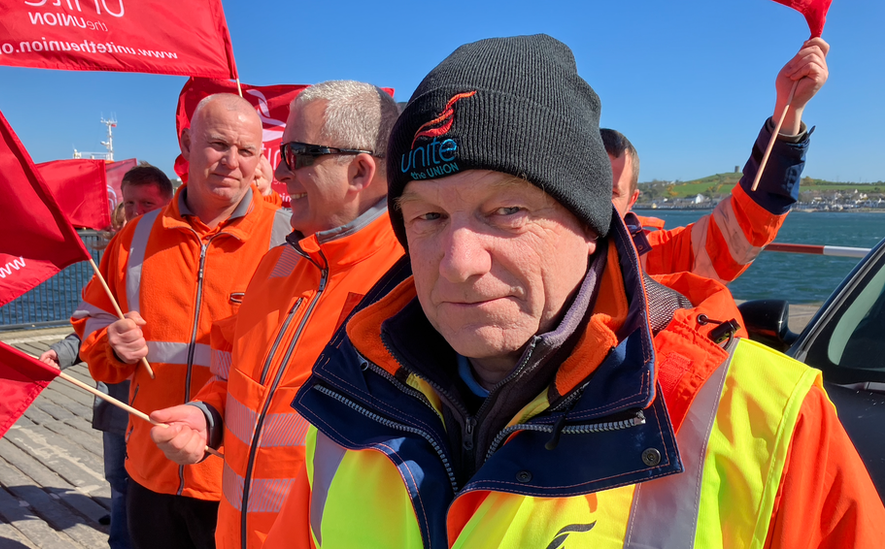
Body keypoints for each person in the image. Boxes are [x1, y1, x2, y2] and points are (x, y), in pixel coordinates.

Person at [263, 35, 885, 548]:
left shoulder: (763, 424)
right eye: (426, 216)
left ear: (594, 223)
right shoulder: (348, 401)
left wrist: (787, 123)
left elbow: (737, 229)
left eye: (505, 208)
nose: (457, 262)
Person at [149, 80, 404, 549]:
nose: (280, 173)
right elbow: (230, 379)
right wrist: (204, 414)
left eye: (297, 155)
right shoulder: (278, 264)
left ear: (360, 171)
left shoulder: (410, 286)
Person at [71, 94, 292, 549]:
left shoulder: (287, 240)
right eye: (218, 145)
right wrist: (110, 342)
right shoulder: (137, 236)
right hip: (150, 470)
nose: (232, 162)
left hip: (241, 480)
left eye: (247, 151)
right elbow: (90, 318)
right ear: (188, 143)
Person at [606, 39, 829, 284]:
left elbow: (742, 229)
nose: (593, 201)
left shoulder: (652, 256)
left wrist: (789, 106)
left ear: (632, 200)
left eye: (613, 192)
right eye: (585, 185)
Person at [40, 164, 174, 549]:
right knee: (118, 476)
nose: (136, 211)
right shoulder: (117, 253)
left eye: (147, 203)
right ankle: (121, 531)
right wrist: (62, 353)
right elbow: (92, 323)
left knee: (154, 482)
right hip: (118, 395)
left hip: (160, 397)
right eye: (129, 203)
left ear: (167, 203)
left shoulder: (177, 253)